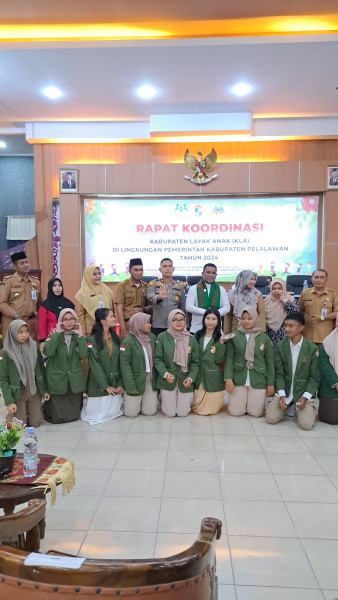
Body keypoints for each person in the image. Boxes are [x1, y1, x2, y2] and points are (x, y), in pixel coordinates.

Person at [266, 312, 320, 430]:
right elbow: (279, 374)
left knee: (306, 425)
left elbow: (314, 378)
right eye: (285, 325)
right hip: (285, 390)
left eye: (291, 326)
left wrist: (305, 397)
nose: (286, 329)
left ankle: (309, 405)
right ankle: (288, 404)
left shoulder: (312, 349)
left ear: (301, 328)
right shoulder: (280, 346)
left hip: (303, 391)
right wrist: (281, 395)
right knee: (270, 419)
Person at [224, 307, 275, 417]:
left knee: (256, 413)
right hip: (239, 378)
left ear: (255, 319)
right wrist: (228, 379)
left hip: (258, 379)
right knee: (236, 412)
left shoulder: (264, 338)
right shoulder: (234, 335)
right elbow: (229, 358)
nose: (246, 321)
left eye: (249, 318)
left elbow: (270, 362)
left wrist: (270, 383)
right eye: (243, 318)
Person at [0, 320, 49, 427]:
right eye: (20, 332)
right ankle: (11, 415)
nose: (24, 335)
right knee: (19, 425)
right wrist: (9, 401)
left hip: (33, 389)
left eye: (26, 331)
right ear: (12, 333)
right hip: (18, 391)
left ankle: (33, 410)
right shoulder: (5, 352)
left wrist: (45, 389)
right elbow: (3, 379)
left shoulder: (33, 346)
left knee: (35, 423)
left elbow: (41, 369)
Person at [43, 309, 88, 424]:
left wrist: (81, 336)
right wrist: (57, 333)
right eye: (66, 319)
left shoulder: (78, 337)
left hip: (73, 377)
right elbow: (48, 352)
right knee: (58, 417)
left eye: (71, 319)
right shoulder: (53, 336)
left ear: (75, 321)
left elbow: (83, 354)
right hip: (58, 378)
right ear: (60, 321)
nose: (69, 322)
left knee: (74, 415)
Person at [81, 308, 123, 425]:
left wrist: (120, 383)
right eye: (111, 316)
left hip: (114, 381)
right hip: (98, 384)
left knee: (113, 412)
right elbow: (94, 365)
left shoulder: (116, 338)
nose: (114, 318)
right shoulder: (92, 340)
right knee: (96, 415)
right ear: (103, 321)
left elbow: (121, 362)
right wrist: (105, 386)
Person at [154, 309, 199, 417]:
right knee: (169, 413)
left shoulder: (191, 339)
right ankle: (164, 397)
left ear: (185, 321)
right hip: (168, 379)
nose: (179, 322)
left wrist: (191, 378)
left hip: (185, 379)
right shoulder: (162, 337)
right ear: (170, 321)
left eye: (181, 320)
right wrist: (165, 374)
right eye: (175, 320)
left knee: (182, 413)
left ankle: (175, 397)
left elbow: (195, 362)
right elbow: (157, 359)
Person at [119, 312, 157, 417]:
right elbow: (125, 366)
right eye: (147, 323)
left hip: (150, 380)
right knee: (131, 414)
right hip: (135, 380)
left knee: (150, 412)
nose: (150, 325)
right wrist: (130, 386)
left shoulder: (152, 338)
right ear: (138, 324)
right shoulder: (127, 341)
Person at [0, 251, 42, 342]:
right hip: (12, 322)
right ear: (15, 266)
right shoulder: (8, 282)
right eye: (22, 263)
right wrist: (15, 315)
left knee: (31, 353)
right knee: (12, 354)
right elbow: (1, 304)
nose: (26, 265)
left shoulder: (35, 282)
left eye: (27, 262)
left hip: (31, 325)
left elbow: (39, 304)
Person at [192, 308, 226, 415]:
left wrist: (221, 344)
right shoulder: (197, 335)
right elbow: (193, 356)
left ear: (218, 322)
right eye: (208, 318)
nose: (210, 321)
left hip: (214, 377)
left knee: (211, 410)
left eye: (214, 319)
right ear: (203, 320)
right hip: (199, 375)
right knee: (197, 407)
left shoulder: (221, 338)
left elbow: (218, 359)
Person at [298, 269, 338, 347]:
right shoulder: (305, 293)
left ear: (326, 279)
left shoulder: (332, 294)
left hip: (325, 337)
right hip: (308, 336)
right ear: (312, 279)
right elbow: (300, 310)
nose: (319, 280)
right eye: (316, 277)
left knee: (323, 359)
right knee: (307, 359)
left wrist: (321, 317)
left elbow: (337, 312)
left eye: (322, 277)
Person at [185, 263, 230, 333]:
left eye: (213, 273)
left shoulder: (221, 289)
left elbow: (227, 307)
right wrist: (205, 312)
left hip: (216, 329)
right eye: (208, 272)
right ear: (202, 274)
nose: (211, 275)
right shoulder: (193, 288)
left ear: (216, 275)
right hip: (197, 328)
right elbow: (188, 307)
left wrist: (214, 314)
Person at [146, 258, 186, 336]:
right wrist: (159, 297)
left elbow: (182, 307)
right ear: (160, 269)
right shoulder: (154, 284)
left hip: (174, 325)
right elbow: (150, 296)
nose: (167, 269)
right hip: (158, 325)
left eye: (170, 266)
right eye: (165, 266)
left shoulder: (179, 286)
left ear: (173, 269)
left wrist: (185, 325)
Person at [115, 258, 150, 339]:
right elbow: (119, 308)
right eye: (136, 270)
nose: (139, 273)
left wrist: (143, 309)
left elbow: (150, 307)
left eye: (141, 270)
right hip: (128, 324)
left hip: (142, 325)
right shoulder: (122, 286)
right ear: (130, 271)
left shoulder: (146, 286)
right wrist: (123, 329)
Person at [75, 265, 114, 337]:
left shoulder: (106, 289)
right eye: (94, 274)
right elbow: (80, 316)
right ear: (88, 276)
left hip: (106, 330)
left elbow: (111, 311)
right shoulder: (81, 293)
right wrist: (83, 334)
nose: (98, 276)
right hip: (91, 331)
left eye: (99, 273)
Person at [38, 277, 75, 351]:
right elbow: (41, 325)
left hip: (68, 339)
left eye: (59, 285)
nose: (57, 288)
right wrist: (42, 341)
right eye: (54, 286)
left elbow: (75, 321)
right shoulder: (45, 305)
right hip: (52, 340)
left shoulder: (69, 304)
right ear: (50, 288)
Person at [264, 278, 299, 348]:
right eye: (274, 289)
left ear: (284, 288)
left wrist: (285, 301)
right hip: (269, 333)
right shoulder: (266, 301)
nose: (277, 291)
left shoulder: (290, 299)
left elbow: (295, 313)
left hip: (285, 332)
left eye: (280, 289)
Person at [318, 315, 338, 424]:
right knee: (332, 418)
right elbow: (324, 362)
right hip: (332, 385)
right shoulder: (328, 341)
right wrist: (335, 382)